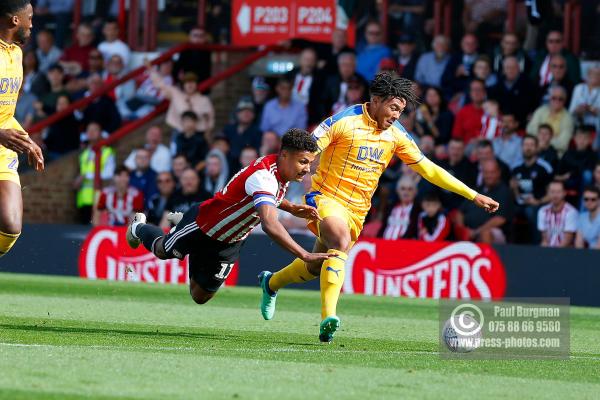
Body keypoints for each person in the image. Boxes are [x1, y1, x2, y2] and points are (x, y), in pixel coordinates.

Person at [259, 72, 499, 343]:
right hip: (325, 197)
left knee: (316, 266)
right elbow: (305, 150)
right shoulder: (342, 121)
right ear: (375, 100)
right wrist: (275, 183)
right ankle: (328, 318)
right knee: (339, 240)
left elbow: (429, 169)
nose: (397, 115)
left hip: (358, 210)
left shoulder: (396, 135)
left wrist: (473, 194)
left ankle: (270, 283)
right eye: (394, 107)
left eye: (401, 110)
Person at [126, 129, 334, 305]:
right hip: (203, 225)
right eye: (303, 162)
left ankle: (191, 244)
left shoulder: (281, 171)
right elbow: (270, 224)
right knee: (163, 250)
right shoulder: (263, 177)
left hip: (231, 240)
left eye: (309, 163)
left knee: (200, 296)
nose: (307, 169)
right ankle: (139, 227)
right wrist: (304, 255)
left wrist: (290, 208)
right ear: (285, 155)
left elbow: (268, 197)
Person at [0, 0, 45, 258]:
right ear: (14, 20)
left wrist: (27, 140)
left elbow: (6, 112)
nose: (31, 23)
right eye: (29, 17)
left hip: (2, 146)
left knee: (10, 227)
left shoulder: (16, 54)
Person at [453, 159, 513, 244]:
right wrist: (463, 230)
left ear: (498, 172)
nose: (489, 176)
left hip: (495, 234)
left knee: (485, 233)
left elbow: (500, 219)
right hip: (470, 233)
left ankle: (487, 256)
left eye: (492, 172)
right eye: (486, 173)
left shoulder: (504, 192)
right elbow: (460, 212)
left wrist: (476, 232)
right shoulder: (478, 190)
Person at [511, 135, 553, 243]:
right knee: (506, 210)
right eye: (525, 145)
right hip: (519, 204)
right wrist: (514, 189)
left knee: (531, 211)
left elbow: (552, 193)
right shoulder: (516, 167)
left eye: (531, 145)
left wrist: (538, 201)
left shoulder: (544, 167)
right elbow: (515, 194)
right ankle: (510, 245)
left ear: (537, 148)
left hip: (539, 203)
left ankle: (536, 245)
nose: (528, 148)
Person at [150, 68, 215, 135]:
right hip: (178, 132)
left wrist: (207, 133)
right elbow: (161, 85)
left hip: (198, 135)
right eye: (187, 82)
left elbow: (209, 118)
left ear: (196, 84)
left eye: (192, 82)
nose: (190, 85)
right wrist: (151, 70)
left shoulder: (204, 100)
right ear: (183, 85)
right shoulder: (176, 94)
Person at [73, 121, 115, 224]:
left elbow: (108, 175)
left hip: (100, 199)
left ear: (101, 133)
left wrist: (84, 176)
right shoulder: (84, 153)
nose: (91, 132)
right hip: (83, 201)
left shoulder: (107, 152)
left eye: (94, 130)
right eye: (89, 130)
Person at [526, 85, 574, 156]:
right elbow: (530, 130)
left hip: (555, 155)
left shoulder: (568, 118)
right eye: (554, 98)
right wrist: (550, 138)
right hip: (536, 150)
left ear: (565, 101)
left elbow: (563, 144)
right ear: (549, 99)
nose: (557, 101)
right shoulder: (541, 110)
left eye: (560, 99)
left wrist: (543, 141)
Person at [286, 48, 324, 126]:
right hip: (289, 113)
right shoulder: (290, 74)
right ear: (300, 60)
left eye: (311, 60)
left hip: (309, 116)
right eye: (306, 59)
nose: (308, 63)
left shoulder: (321, 78)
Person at [538, 180, 578, 247]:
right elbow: (544, 238)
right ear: (548, 193)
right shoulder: (542, 211)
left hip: (566, 252)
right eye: (552, 192)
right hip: (548, 250)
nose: (555, 195)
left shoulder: (571, 212)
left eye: (558, 192)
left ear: (564, 193)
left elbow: (567, 240)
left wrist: (554, 254)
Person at [451, 79, 487, 147]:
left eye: (479, 89)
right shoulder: (463, 111)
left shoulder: (491, 111)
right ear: (470, 93)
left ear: (484, 92)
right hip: (466, 148)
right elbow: (456, 135)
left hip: (486, 147)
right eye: (473, 90)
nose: (476, 93)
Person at [569, 65, 600, 135]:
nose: (595, 76)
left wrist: (592, 110)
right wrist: (578, 110)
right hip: (579, 126)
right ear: (588, 75)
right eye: (592, 73)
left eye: (598, 74)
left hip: (596, 128)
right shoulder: (578, 88)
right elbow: (571, 110)